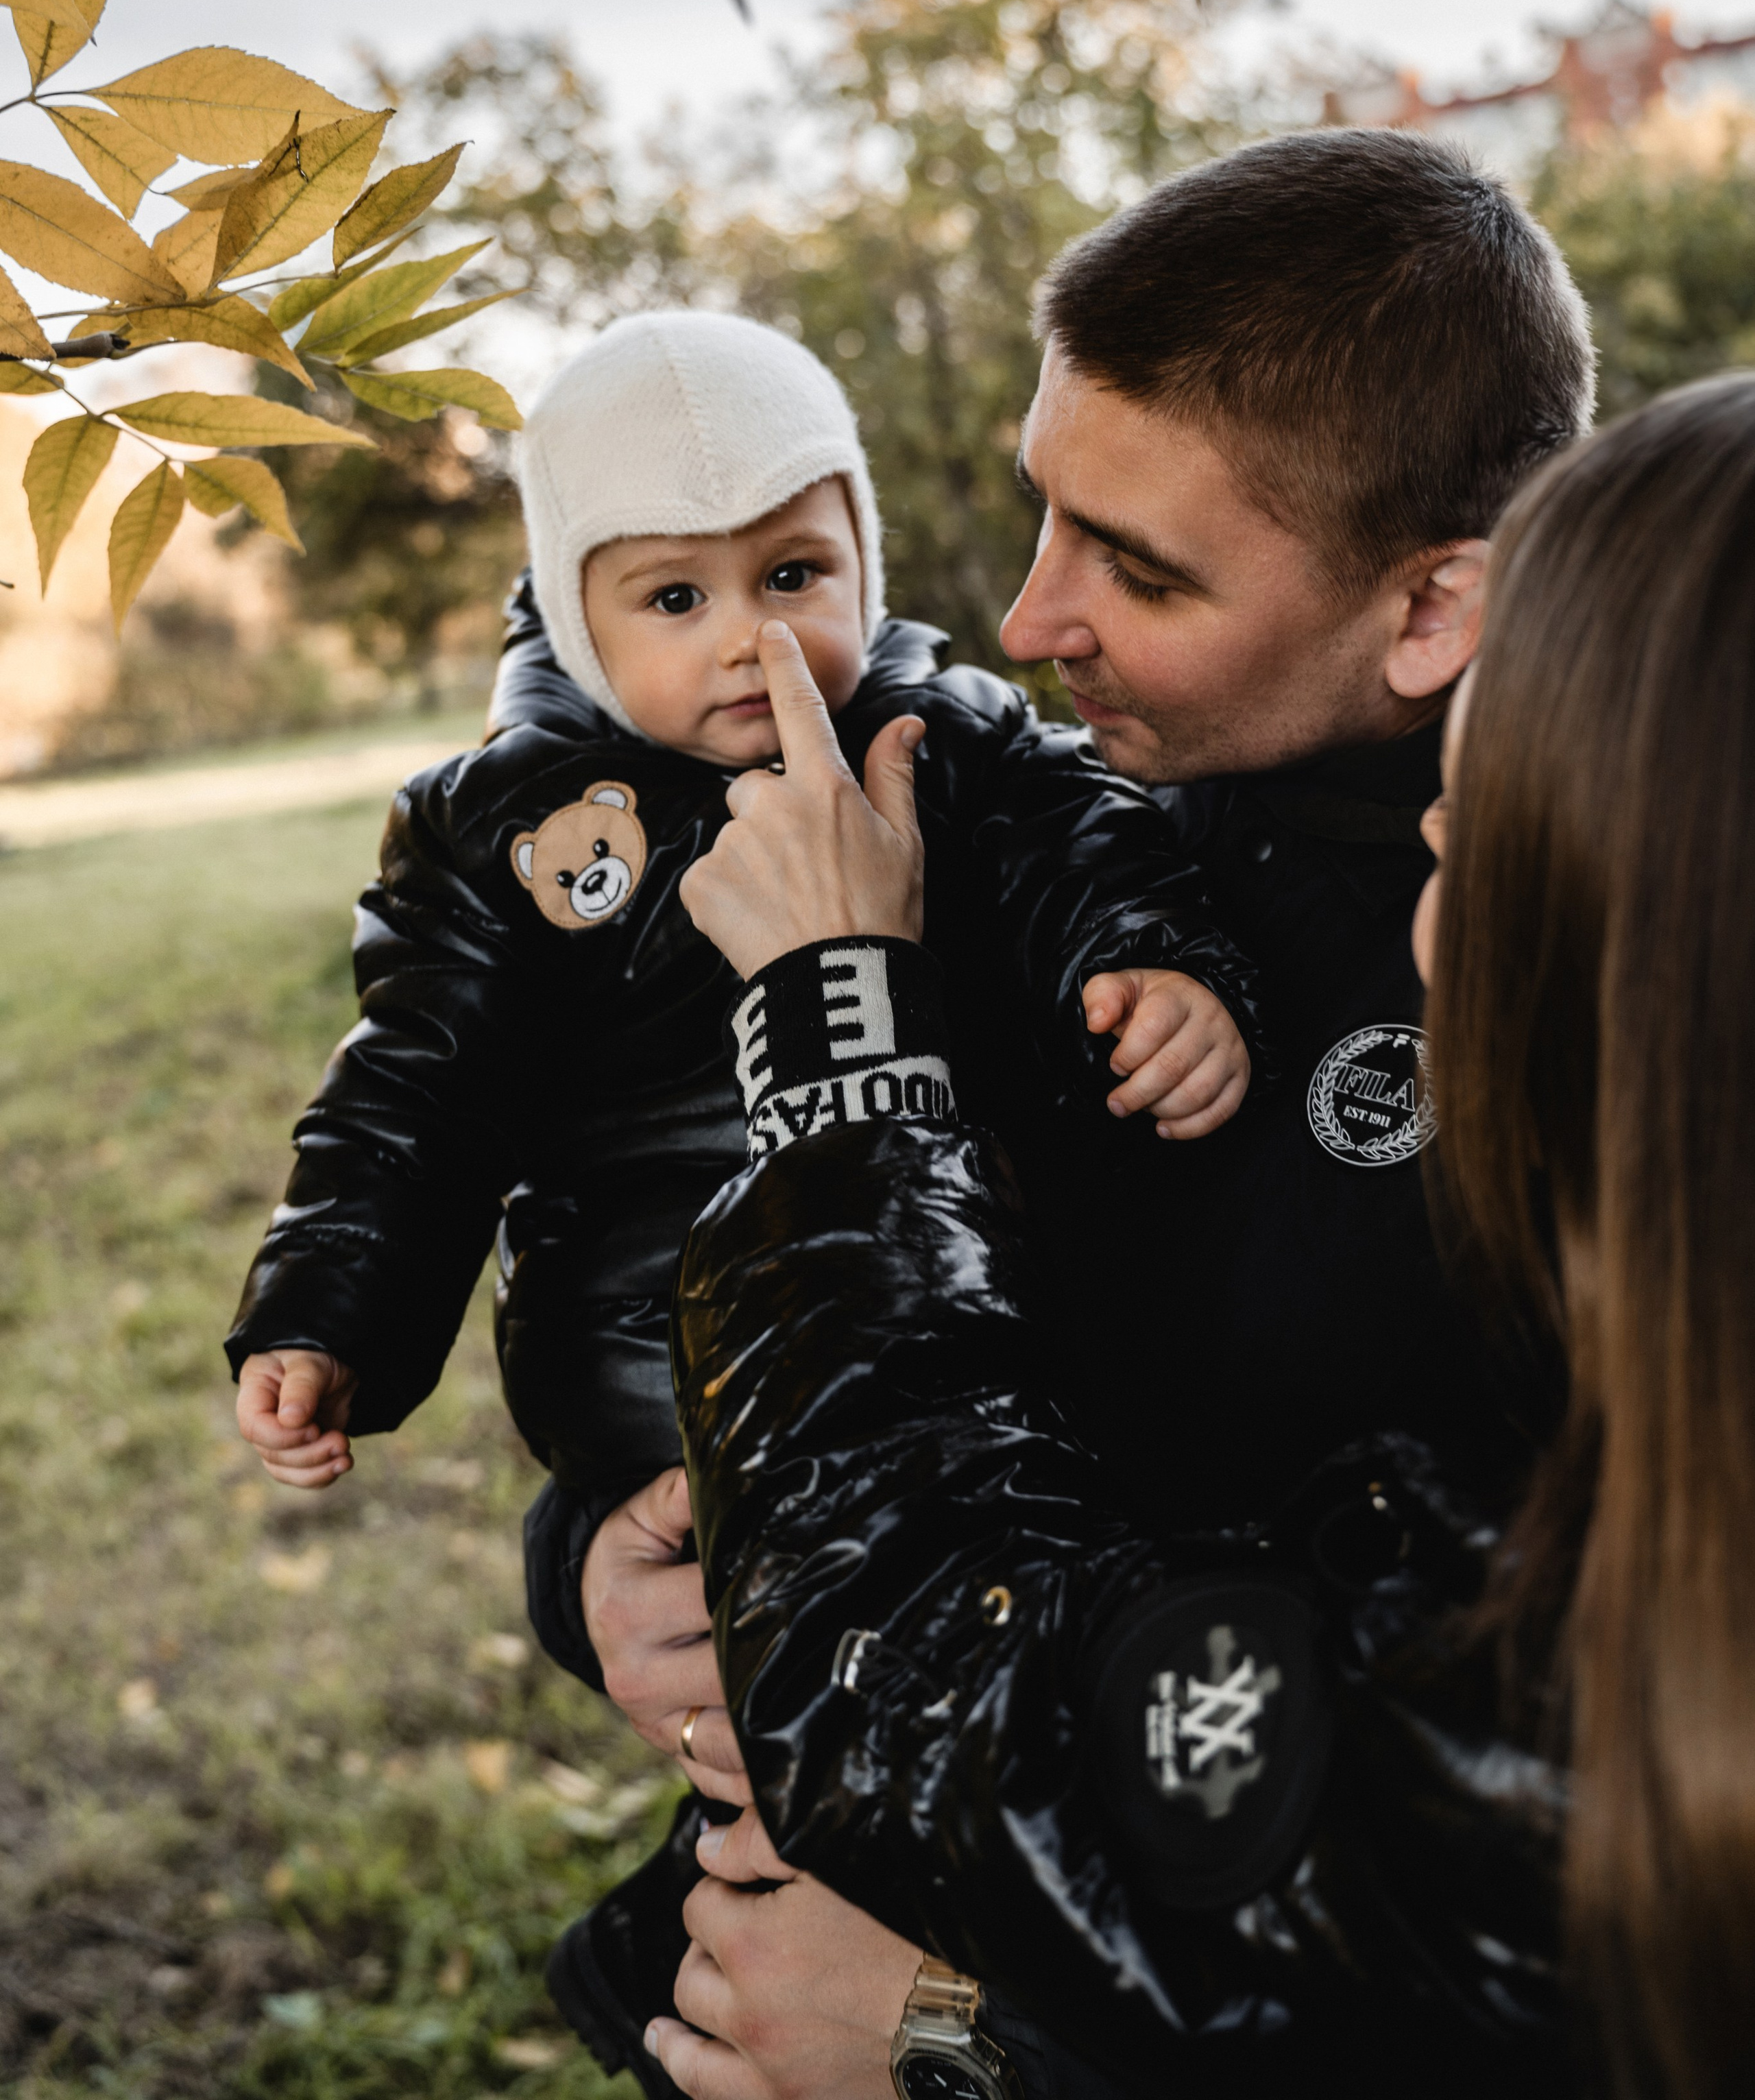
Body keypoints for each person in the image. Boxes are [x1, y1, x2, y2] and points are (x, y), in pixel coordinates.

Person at [625, 130, 1596, 2097]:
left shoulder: (1579, 1034)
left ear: (1429, 613)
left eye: (1137, 567)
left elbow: (1489, 1927)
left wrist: (965, 2032)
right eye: (1039, 514)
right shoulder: (994, 845)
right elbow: (750, 1285)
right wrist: (605, 1557)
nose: (1027, 616)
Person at [221, 311, 1261, 2088]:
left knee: (912, 1711)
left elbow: (1100, 838)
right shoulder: (517, 834)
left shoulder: (949, 737)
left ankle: (842, 1970)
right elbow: (411, 1103)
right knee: (779, 1712)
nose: (755, 641)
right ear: (573, 605)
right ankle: (757, 1948)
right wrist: (330, 1314)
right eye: (676, 599)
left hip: (963, 1326)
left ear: (862, 544)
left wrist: (1152, 968)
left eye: (796, 569)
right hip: (661, 1367)